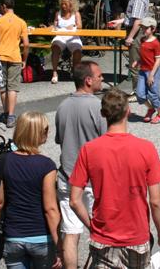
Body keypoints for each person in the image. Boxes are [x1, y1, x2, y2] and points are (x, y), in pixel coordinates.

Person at [69, 89, 160, 268]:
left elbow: (74, 201)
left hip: (103, 238)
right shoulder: (146, 148)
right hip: (137, 238)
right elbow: (155, 202)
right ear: (128, 111)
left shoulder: (89, 149)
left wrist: (92, 226)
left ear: (103, 114)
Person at [55, 61, 107, 269]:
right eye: (99, 76)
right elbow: (107, 141)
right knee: (102, 231)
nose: (102, 79)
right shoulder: (97, 106)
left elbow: (60, 140)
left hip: (67, 177)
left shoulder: (62, 106)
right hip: (93, 181)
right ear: (88, 80)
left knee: (70, 233)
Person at [0, 111, 61, 269]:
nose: (47, 133)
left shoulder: (4, 161)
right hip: (41, 238)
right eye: (45, 130)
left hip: (13, 237)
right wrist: (60, 245)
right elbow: (50, 208)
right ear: (37, 133)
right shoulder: (46, 165)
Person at [0, 0, 29, 128]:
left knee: (2, 87)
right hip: (15, 57)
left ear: (4, 6)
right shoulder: (21, 22)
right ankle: (12, 115)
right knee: (12, 87)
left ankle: (6, 112)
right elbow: (26, 44)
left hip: (0, 57)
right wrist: (24, 59)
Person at [132, 16, 160, 124]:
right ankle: (151, 109)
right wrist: (137, 61)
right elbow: (143, 55)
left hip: (152, 71)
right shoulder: (142, 40)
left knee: (153, 93)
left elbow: (157, 60)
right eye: (142, 28)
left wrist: (151, 75)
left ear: (153, 29)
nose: (143, 30)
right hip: (143, 70)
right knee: (140, 94)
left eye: (146, 28)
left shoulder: (156, 43)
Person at [50, 0, 83, 85]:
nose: (63, 6)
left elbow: (80, 26)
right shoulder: (58, 14)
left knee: (77, 51)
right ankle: (54, 72)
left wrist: (73, 25)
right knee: (55, 47)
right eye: (62, 4)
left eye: (66, 4)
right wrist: (51, 27)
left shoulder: (76, 14)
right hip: (60, 36)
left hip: (73, 36)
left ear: (71, 5)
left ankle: (75, 71)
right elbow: (54, 25)